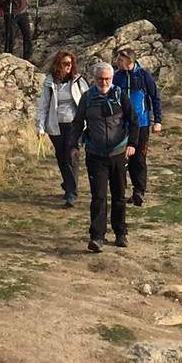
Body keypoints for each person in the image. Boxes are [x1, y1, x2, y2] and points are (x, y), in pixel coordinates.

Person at [67, 62, 138, 252]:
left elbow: (133, 121)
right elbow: (77, 123)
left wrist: (132, 144)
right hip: (95, 154)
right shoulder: (87, 97)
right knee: (98, 197)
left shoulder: (120, 96)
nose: (103, 82)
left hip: (118, 153)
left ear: (112, 78)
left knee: (119, 195)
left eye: (107, 78)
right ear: (94, 79)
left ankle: (120, 233)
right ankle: (97, 237)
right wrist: (74, 146)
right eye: (100, 78)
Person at [36, 50, 89, 208]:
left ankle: (71, 193)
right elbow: (43, 106)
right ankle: (67, 183)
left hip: (74, 124)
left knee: (72, 155)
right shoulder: (49, 82)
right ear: (58, 65)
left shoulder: (78, 81)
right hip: (56, 125)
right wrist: (40, 127)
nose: (68, 66)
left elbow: (87, 100)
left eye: (70, 63)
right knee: (61, 157)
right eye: (65, 63)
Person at [112, 48, 162, 206]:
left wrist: (157, 121)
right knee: (120, 159)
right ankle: (120, 191)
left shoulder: (143, 76)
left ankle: (139, 191)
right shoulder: (116, 77)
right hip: (120, 124)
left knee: (139, 158)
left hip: (141, 124)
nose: (117, 63)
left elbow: (155, 98)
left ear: (129, 62)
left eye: (120, 60)